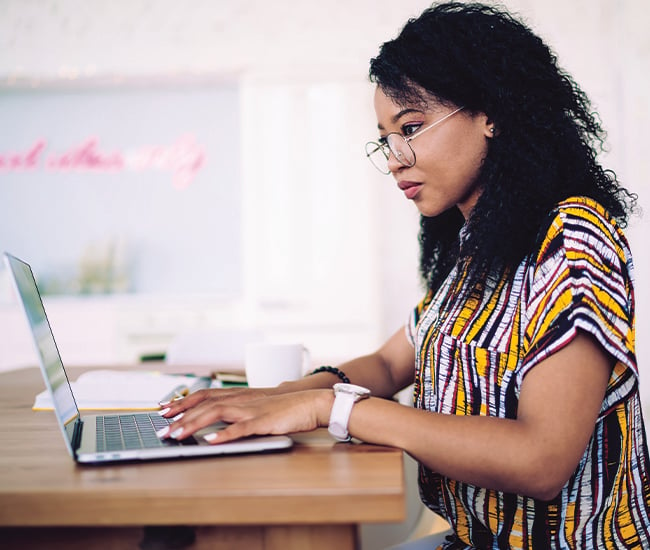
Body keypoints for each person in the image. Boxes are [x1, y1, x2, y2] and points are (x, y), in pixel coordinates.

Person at [157, 2, 650, 548]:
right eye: (385, 138)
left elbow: (541, 460)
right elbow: (394, 361)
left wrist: (333, 407)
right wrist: (274, 398)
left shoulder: (572, 237)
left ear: (491, 112)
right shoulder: (478, 246)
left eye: (411, 128)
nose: (394, 158)